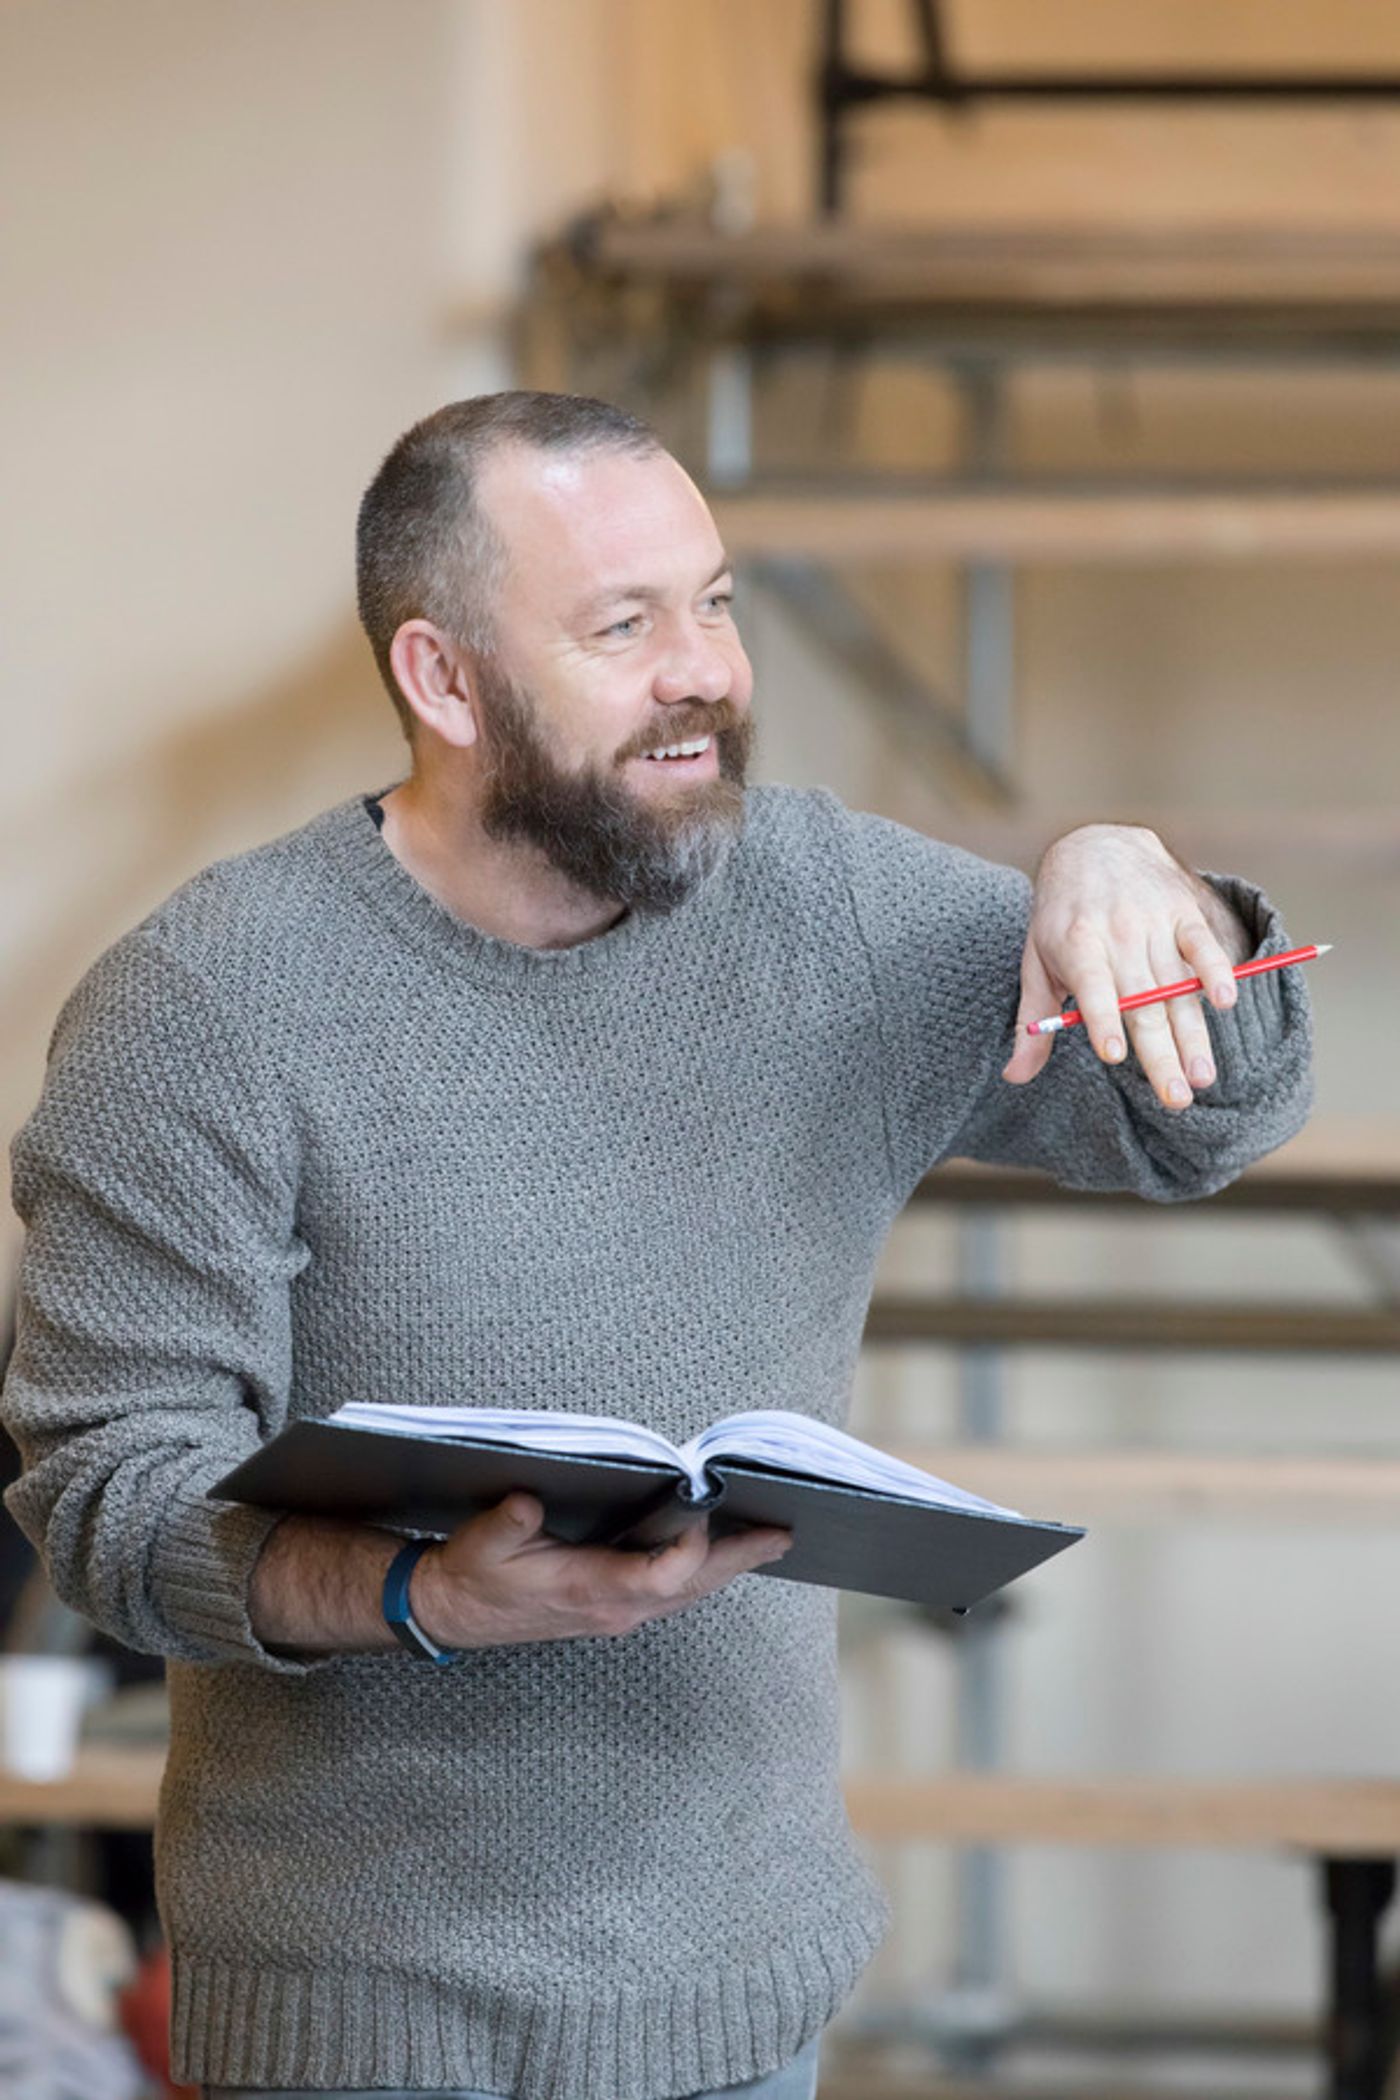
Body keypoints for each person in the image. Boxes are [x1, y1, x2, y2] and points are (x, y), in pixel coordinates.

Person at [1, 391, 1312, 2100]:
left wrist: (1139, 881)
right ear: (445, 681)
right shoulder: (206, 1007)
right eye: (624, 626)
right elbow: (109, 1500)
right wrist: (415, 1592)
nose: (702, 666)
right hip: (357, 2026)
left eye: (715, 601)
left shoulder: (827, 913)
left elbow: (1206, 1119)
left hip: (744, 2005)